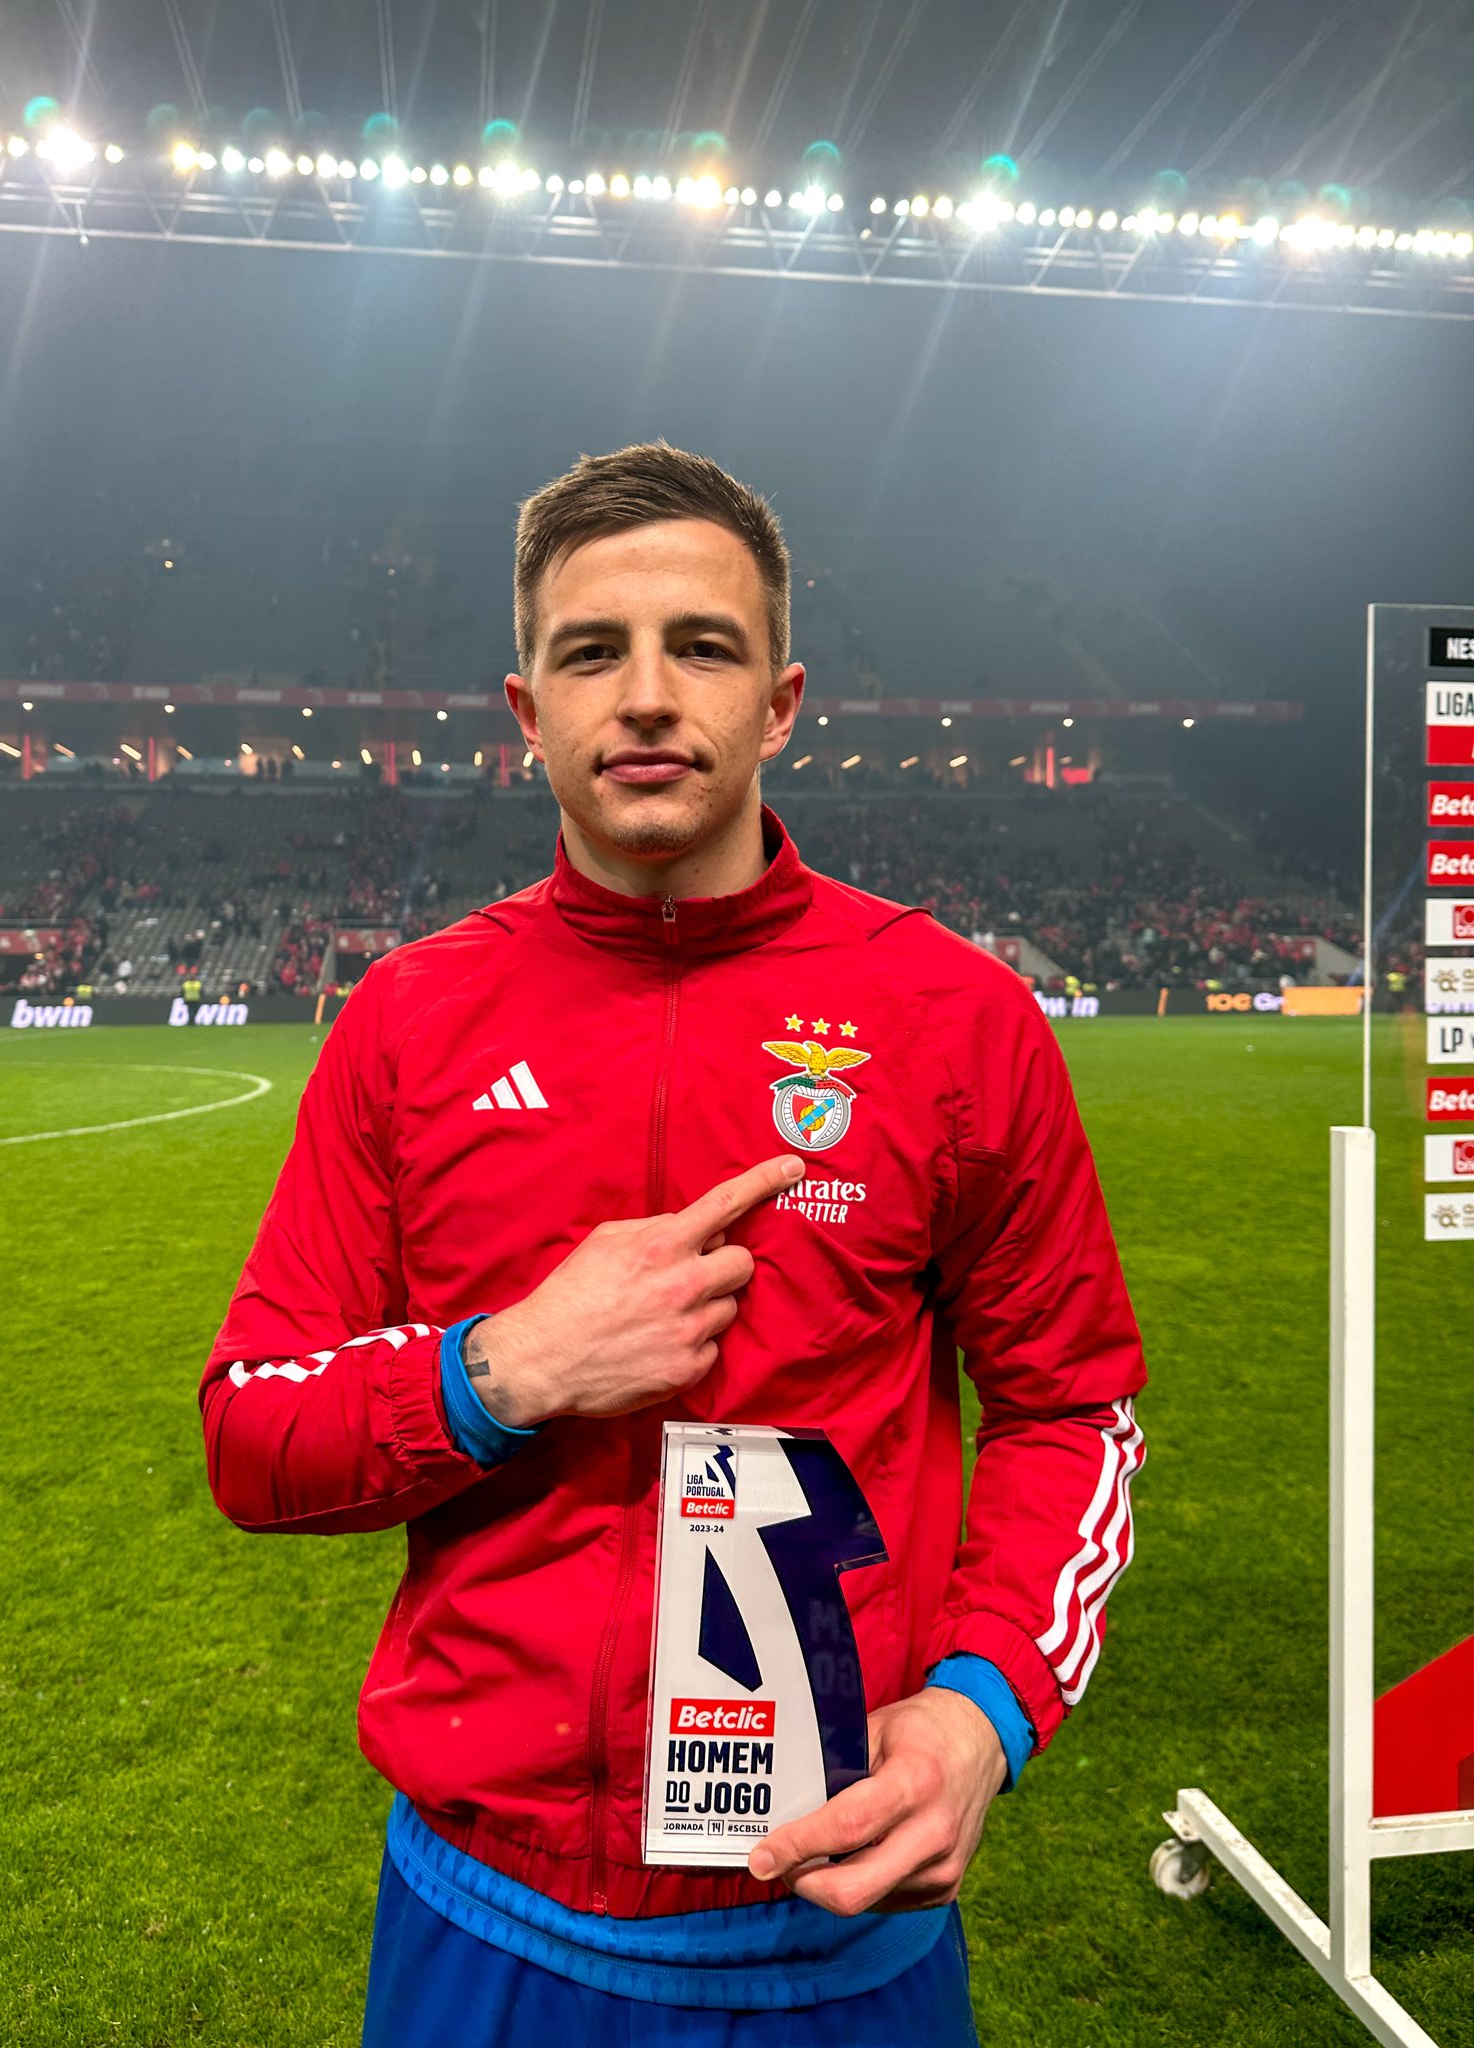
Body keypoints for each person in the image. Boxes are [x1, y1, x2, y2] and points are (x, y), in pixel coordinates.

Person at [201, 445, 1146, 2045]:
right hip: (484, 1916)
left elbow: (1073, 1408)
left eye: (699, 646)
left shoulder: (956, 1020)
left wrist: (982, 1710)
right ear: (527, 712)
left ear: (778, 702)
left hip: (834, 1924)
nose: (645, 696)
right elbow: (250, 1430)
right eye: (594, 652)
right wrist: (502, 1371)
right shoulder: (410, 1023)